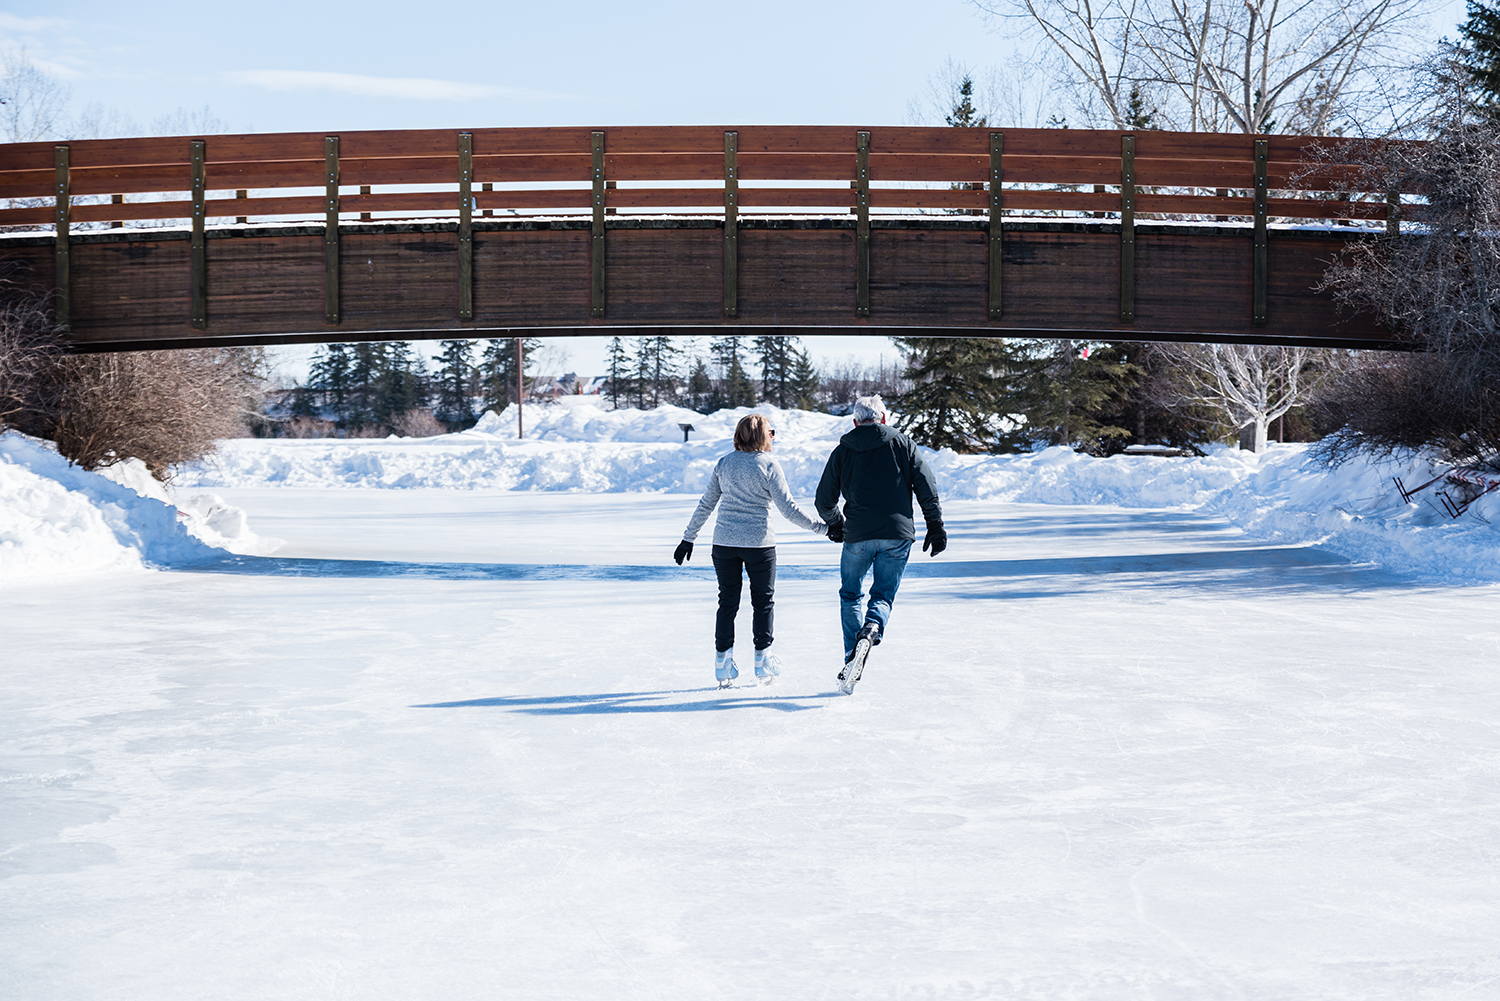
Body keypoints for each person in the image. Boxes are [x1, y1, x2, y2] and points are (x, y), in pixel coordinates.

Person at [674, 413, 835, 687]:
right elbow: (789, 509)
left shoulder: (724, 463)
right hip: (759, 545)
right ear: (762, 436)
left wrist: (688, 538)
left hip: (724, 544)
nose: (773, 437)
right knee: (763, 603)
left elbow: (706, 504)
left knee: (727, 603)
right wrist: (824, 529)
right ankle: (763, 661)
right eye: (771, 433)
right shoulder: (769, 464)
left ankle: (723, 664)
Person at [815, 395, 945, 684]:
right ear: (883, 419)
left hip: (858, 534)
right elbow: (926, 485)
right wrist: (935, 525)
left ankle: (852, 655)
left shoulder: (844, 449)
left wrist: (837, 524)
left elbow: (824, 499)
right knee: (882, 595)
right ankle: (872, 628)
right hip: (897, 536)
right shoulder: (903, 443)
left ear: (855, 421)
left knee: (851, 594)